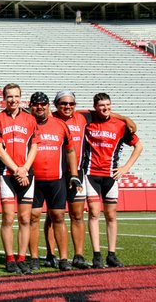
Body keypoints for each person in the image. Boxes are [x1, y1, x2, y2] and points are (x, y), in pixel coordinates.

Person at [42, 90, 136, 269]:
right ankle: (51, 254)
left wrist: (124, 118)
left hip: (77, 172)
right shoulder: (50, 117)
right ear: (55, 105)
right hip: (55, 172)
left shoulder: (83, 116)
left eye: (71, 104)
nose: (68, 107)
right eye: (63, 103)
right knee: (54, 215)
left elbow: (103, 111)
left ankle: (78, 255)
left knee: (77, 215)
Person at [83, 93, 143, 268]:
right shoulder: (88, 122)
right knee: (94, 213)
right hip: (91, 174)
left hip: (111, 175)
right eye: (101, 105)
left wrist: (125, 168)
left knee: (111, 215)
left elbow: (138, 146)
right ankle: (96, 255)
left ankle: (111, 254)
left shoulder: (120, 125)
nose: (105, 108)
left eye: (108, 105)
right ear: (95, 107)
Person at [0, 83, 39, 274]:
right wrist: (17, 169)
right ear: (4, 98)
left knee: (25, 219)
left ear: (21, 97)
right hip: (7, 174)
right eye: (9, 96)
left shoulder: (30, 119)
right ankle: (9, 258)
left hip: (27, 173)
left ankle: (22, 258)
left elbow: (34, 147)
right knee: (8, 218)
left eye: (16, 96)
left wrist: (25, 168)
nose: (13, 100)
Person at [27, 92, 80, 272]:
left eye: (43, 104)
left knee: (58, 217)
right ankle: (34, 258)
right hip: (33, 180)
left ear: (48, 105)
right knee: (33, 218)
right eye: (36, 104)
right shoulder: (26, 125)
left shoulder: (60, 125)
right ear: (31, 106)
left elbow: (71, 151)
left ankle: (63, 258)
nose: (39, 107)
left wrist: (74, 174)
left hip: (56, 179)